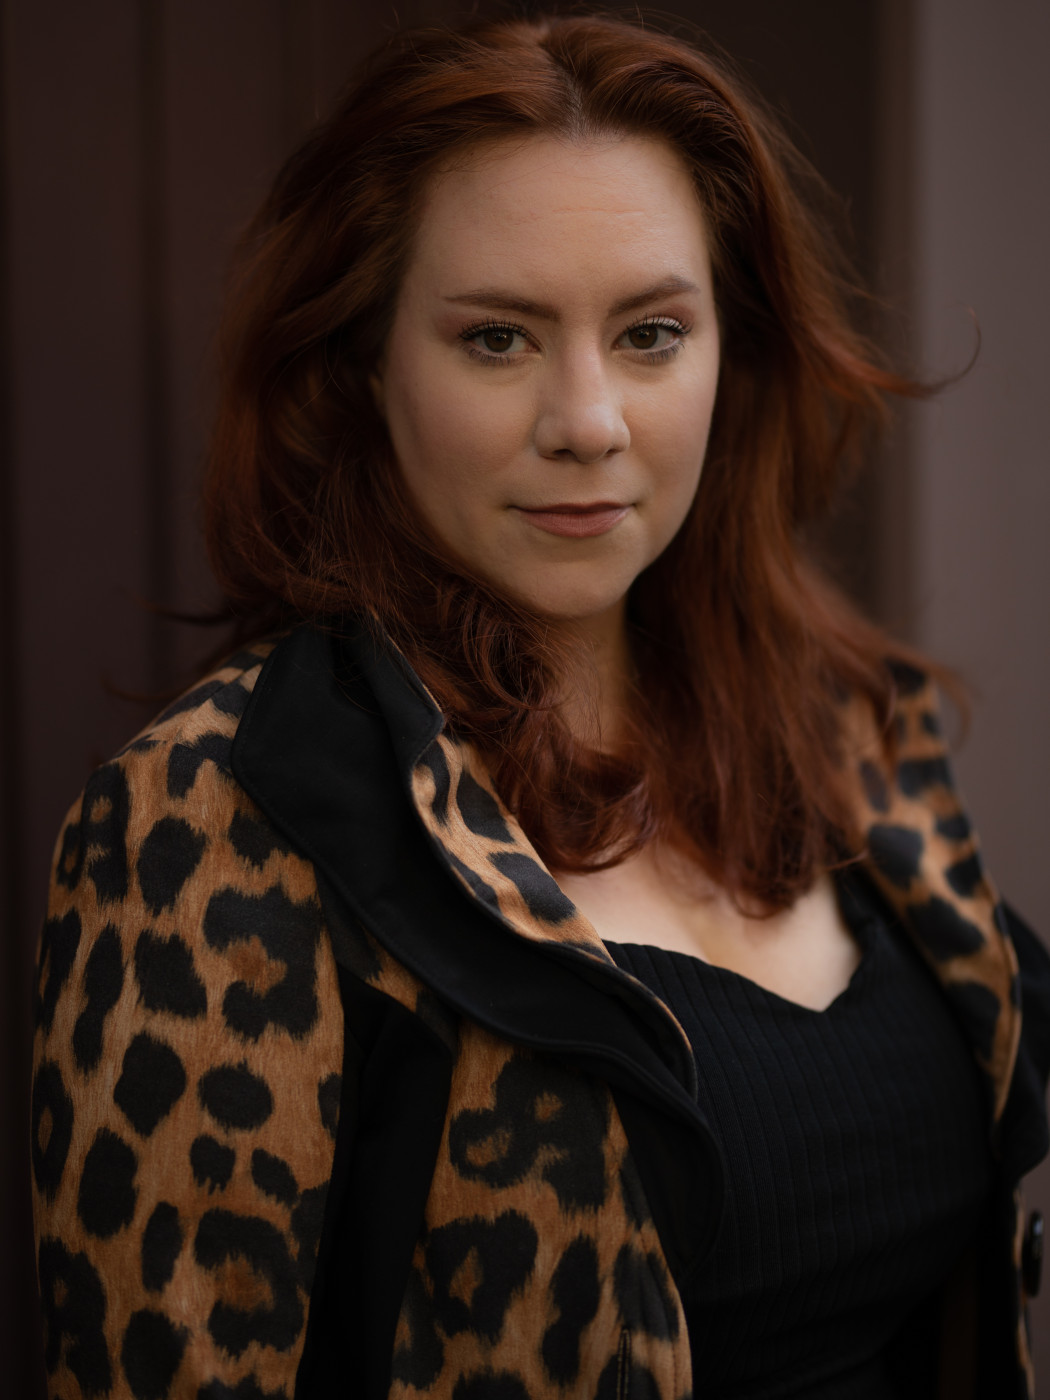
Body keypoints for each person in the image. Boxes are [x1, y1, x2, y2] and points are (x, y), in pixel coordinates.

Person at [29, 11, 1050, 1400]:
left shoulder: (847, 732)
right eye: (499, 338)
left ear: (730, 350)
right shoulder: (220, 818)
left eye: (650, 334)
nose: (588, 420)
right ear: (365, 362)